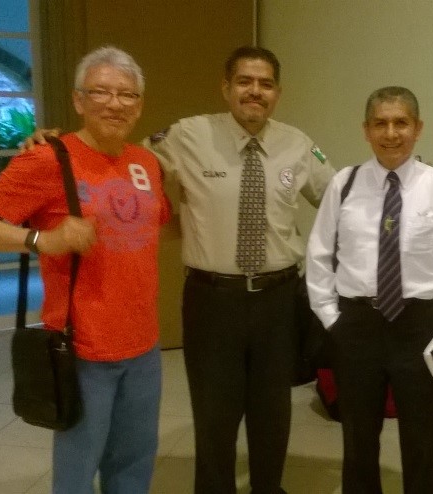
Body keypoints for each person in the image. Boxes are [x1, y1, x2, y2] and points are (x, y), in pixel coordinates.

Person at [0, 46, 170, 494]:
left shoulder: (146, 163)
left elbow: (154, 230)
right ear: (78, 101)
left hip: (145, 346)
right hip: (83, 346)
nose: (115, 104)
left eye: (127, 95)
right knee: (76, 470)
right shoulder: (48, 158)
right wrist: (43, 240)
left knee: (134, 464)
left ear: (141, 105)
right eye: (101, 92)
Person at [143, 46, 335, 493]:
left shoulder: (299, 144)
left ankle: (268, 487)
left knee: (273, 409)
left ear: (278, 93)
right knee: (214, 412)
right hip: (213, 300)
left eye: (265, 84)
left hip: (278, 298)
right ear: (226, 88)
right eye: (245, 82)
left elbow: (342, 202)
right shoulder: (187, 135)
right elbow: (122, 161)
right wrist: (62, 147)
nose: (255, 91)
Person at [306, 86, 433, 494]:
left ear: (418, 129)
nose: (391, 133)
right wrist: (332, 318)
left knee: (422, 439)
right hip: (357, 324)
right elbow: (319, 254)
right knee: (358, 439)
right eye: (381, 123)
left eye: (401, 123)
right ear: (366, 130)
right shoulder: (344, 184)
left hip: (420, 326)